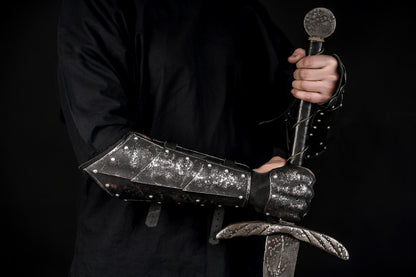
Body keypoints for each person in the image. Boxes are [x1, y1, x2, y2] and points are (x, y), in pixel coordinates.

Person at [57, 0, 346, 276]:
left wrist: (321, 94)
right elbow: (108, 155)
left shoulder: (246, 13)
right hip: (135, 258)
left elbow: (296, 142)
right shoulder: (99, 5)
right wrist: (252, 187)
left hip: (236, 261)